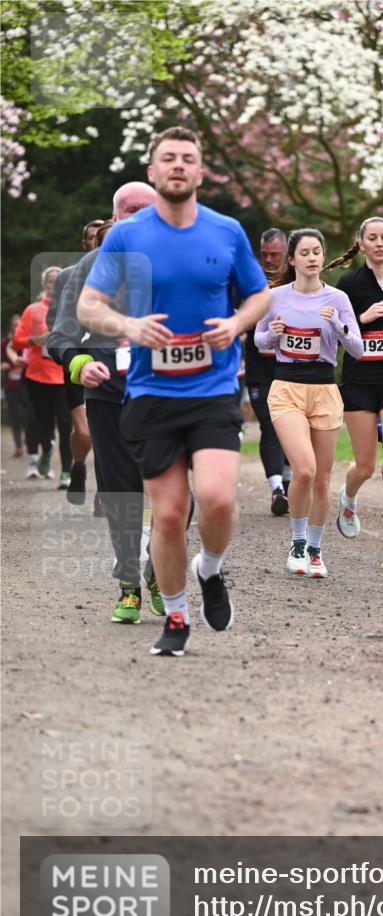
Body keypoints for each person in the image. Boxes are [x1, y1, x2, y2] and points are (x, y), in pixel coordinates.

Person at [78, 126, 270, 656]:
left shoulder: (226, 231)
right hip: (152, 392)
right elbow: (88, 307)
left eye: (188, 158)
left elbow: (259, 299)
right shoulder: (126, 236)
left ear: (200, 172)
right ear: (153, 171)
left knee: (216, 499)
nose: (179, 165)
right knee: (166, 515)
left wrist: (235, 326)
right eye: (169, 158)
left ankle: (209, 568)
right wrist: (130, 327)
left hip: (211, 392)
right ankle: (178, 618)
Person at [48, 184, 163, 624]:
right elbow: (59, 337)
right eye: (128, 211)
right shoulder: (87, 269)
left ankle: (157, 566)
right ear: (114, 217)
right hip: (108, 395)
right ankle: (130, 583)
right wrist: (80, 364)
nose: (136, 218)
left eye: (146, 211)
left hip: (165, 396)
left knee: (171, 494)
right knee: (121, 492)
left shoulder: (178, 265)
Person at [255, 228, 363, 577]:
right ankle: (297, 543)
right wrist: (275, 333)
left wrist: (339, 329)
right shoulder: (274, 296)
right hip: (286, 386)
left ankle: (315, 551)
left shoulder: (338, 299)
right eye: (305, 252)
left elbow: (357, 349)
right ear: (292, 259)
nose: (313, 258)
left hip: (324, 388)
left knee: (322, 479)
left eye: (317, 252)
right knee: (304, 469)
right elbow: (259, 340)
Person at [326, 217, 383, 571]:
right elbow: (335, 333)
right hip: (358, 381)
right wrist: (361, 320)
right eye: (374, 238)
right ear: (362, 243)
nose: (382, 244)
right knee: (365, 464)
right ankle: (348, 497)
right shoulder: (347, 285)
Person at [45, 219, 104, 502]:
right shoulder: (69, 276)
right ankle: (78, 465)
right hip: (79, 362)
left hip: (113, 362)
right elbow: (54, 323)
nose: (96, 242)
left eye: (101, 237)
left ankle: (106, 485)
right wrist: (73, 352)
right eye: (92, 237)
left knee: (109, 430)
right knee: (84, 430)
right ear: (85, 243)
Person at [244, 228, 292, 515]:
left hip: (292, 368)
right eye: (264, 255)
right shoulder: (249, 281)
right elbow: (237, 316)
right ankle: (277, 489)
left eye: (275, 255)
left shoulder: (298, 281)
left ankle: (287, 482)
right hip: (259, 370)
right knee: (270, 425)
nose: (269, 260)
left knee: (291, 424)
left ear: (286, 253)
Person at [12, 266, 72, 486]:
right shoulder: (33, 310)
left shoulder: (72, 309)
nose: (55, 285)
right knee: (44, 424)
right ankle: (46, 450)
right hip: (38, 376)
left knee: (66, 425)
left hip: (65, 374)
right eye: (50, 282)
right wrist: (33, 340)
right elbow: (17, 340)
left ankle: (67, 472)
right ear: (44, 285)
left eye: (59, 281)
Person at [1, 314, 37, 458]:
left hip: (26, 384)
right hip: (10, 386)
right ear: (11, 326)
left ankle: (29, 440)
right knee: (14, 416)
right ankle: (18, 446)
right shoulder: (4, 344)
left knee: (29, 415)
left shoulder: (26, 343)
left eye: (19, 324)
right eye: (14, 324)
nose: (17, 327)